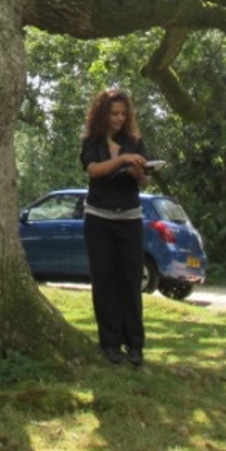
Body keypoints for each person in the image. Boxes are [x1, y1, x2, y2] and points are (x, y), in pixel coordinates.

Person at [80, 88, 148, 366]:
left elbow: (143, 179)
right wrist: (121, 159)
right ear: (102, 114)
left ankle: (135, 345)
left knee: (130, 282)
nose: (119, 118)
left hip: (129, 219)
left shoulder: (135, 142)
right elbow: (94, 170)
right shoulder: (91, 142)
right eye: (113, 113)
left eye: (123, 114)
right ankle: (110, 343)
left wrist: (137, 170)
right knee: (104, 282)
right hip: (99, 219)